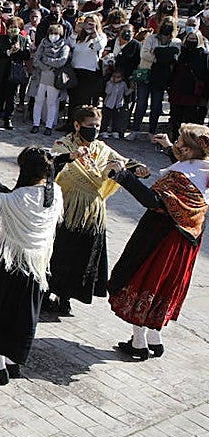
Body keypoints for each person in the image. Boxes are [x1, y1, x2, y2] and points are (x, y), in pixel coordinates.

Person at [0, 140, 63, 384]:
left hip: (8, 263)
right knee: (20, 316)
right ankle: (12, 361)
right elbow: (3, 189)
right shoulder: (54, 193)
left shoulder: (18, 199)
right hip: (35, 266)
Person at [106, 126, 209, 360]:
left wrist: (123, 176)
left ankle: (139, 343)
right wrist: (168, 148)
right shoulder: (204, 170)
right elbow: (190, 166)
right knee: (165, 285)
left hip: (160, 237)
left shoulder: (178, 179)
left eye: (180, 142)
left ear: (190, 149)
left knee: (144, 281)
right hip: (187, 241)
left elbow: (153, 201)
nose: (177, 144)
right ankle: (154, 338)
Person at [47, 106, 148, 317]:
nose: (94, 129)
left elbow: (123, 162)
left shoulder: (101, 148)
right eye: (90, 125)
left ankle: (66, 297)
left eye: (97, 126)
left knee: (82, 254)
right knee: (61, 252)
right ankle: (49, 291)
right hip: (68, 208)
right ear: (77, 125)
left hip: (92, 211)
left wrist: (137, 168)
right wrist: (72, 157)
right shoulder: (63, 145)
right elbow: (52, 165)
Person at [31, 25, 71, 136]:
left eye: (56, 33)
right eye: (51, 33)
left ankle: (49, 125)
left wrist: (46, 61)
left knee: (51, 102)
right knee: (38, 100)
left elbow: (61, 61)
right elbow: (36, 58)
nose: (53, 35)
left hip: (54, 77)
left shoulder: (65, 45)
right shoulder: (43, 43)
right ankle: (36, 124)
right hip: (41, 76)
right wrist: (44, 66)